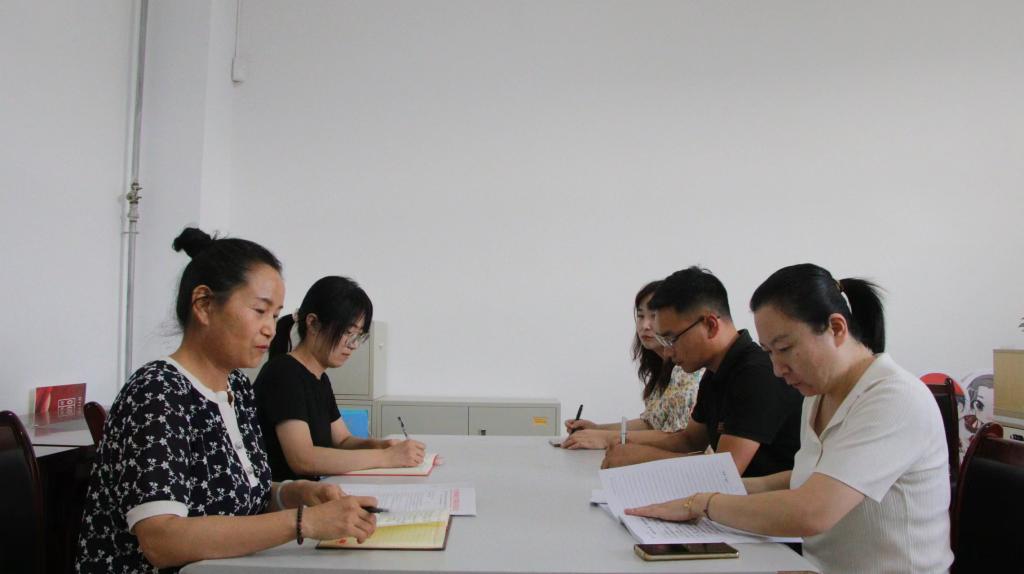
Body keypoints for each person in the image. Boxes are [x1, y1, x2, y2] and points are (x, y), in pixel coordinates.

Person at [77, 228, 378, 574]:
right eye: (260, 311)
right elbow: (161, 539)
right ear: (204, 305)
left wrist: (295, 493)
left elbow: (243, 497)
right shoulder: (157, 392)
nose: (270, 328)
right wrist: (303, 521)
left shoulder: (236, 387)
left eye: (274, 314)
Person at [626, 263, 953, 573]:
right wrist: (699, 490)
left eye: (784, 348)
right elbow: (801, 478)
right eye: (769, 352)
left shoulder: (894, 398)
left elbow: (813, 511)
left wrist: (703, 503)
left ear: (836, 328)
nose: (777, 369)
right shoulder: (818, 396)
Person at [598, 266, 802, 478]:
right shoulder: (715, 372)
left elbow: (723, 472)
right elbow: (689, 440)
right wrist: (620, 442)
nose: (667, 352)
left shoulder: (756, 374)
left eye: (671, 339)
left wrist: (641, 457)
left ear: (710, 325)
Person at [255, 275, 425, 480]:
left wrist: (382, 445)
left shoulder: (320, 379)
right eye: (348, 332)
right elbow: (303, 459)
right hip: (287, 496)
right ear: (313, 324)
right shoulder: (283, 374)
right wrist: (386, 457)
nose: (353, 345)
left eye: (359, 336)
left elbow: (343, 441)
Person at [561, 280, 703, 449]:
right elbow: (651, 423)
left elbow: (678, 436)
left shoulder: (686, 370)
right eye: (641, 316)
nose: (645, 326)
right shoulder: (663, 367)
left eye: (654, 316)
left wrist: (606, 437)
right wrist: (597, 429)